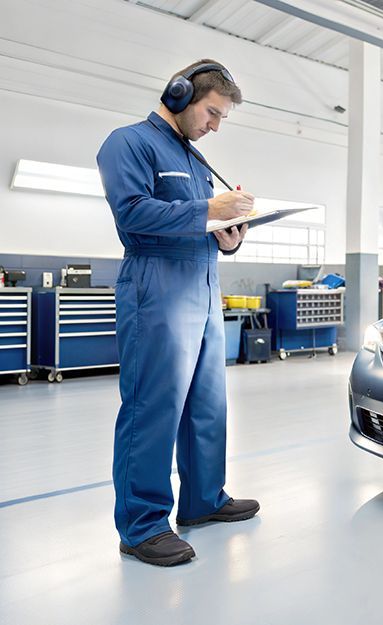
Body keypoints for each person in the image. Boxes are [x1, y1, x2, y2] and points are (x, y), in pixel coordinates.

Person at [97, 59, 259, 567]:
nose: (214, 126)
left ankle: (203, 500)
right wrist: (211, 211)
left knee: (207, 404)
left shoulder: (192, 159)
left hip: (204, 285)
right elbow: (132, 212)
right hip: (157, 286)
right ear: (179, 95)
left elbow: (194, 222)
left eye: (221, 119)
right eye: (211, 113)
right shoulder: (128, 143)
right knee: (153, 406)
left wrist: (227, 235)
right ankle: (142, 526)